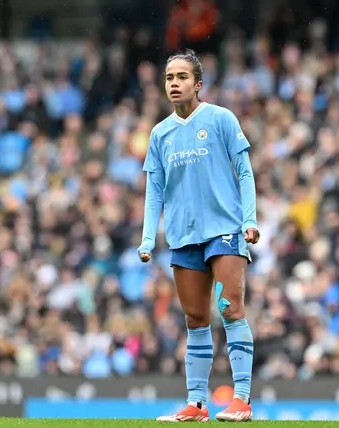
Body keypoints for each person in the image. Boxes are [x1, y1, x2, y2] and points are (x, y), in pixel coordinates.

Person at [138, 49, 260, 422]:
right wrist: (147, 239)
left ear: (198, 84)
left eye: (181, 77)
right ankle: (198, 404)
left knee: (230, 308)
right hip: (183, 236)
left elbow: (244, 171)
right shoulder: (160, 134)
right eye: (169, 78)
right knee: (194, 320)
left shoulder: (221, 119)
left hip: (224, 229)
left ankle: (241, 400)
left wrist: (249, 220)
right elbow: (154, 190)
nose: (174, 84)